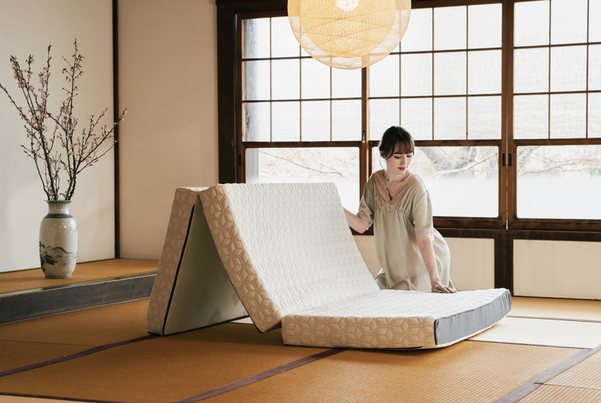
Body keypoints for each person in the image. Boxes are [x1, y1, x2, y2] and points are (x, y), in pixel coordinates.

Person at [345, 126, 456, 294]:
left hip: (422, 262)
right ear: (383, 154)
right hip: (393, 267)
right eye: (398, 156)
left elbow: (424, 237)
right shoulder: (374, 183)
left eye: (409, 156)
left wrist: (435, 280)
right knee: (372, 296)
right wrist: (333, 206)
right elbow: (361, 225)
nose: (405, 162)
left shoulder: (416, 187)